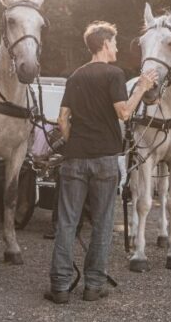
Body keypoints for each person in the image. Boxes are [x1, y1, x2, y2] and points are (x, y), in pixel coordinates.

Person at [46, 21, 157, 304]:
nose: (117, 48)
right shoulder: (114, 74)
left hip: (74, 159)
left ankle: (59, 287)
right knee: (103, 223)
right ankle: (93, 285)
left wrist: (72, 142)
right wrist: (142, 87)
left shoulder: (75, 77)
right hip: (105, 160)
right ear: (105, 44)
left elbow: (62, 120)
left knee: (67, 223)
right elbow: (124, 113)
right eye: (116, 43)